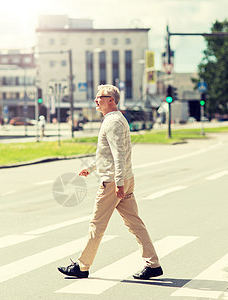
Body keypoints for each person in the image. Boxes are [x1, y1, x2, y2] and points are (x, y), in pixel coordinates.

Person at [57, 84, 162, 280]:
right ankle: (153, 264)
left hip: (114, 182)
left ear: (111, 100)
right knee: (135, 224)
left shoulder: (112, 122)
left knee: (97, 224)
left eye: (100, 97)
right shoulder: (116, 119)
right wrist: (90, 167)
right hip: (124, 179)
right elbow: (108, 154)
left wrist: (119, 182)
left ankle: (82, 266)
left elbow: (118, 154)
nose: (96, 100)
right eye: (96, 97)